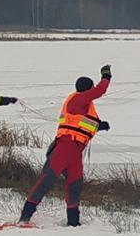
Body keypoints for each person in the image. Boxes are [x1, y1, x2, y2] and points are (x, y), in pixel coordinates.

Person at [18, 65, 111, 227]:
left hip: (75, 151)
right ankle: (24, 218)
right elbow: (99, 91)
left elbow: (82, 125)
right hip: (65, 147)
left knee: (75, 185)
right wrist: (106, 77)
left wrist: (100, 125)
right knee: (46, 181)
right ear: (87, 89)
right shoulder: (78, 99)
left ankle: (73, 222)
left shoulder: (82, 105)